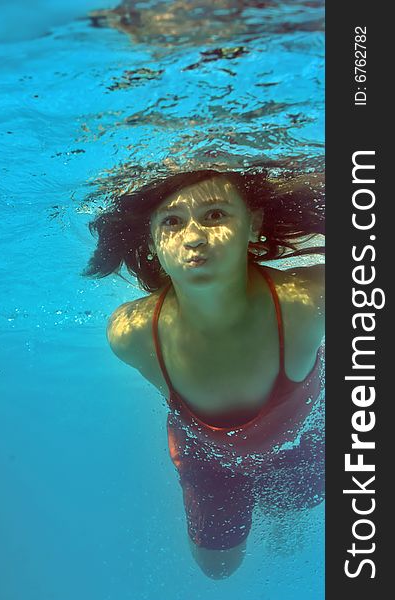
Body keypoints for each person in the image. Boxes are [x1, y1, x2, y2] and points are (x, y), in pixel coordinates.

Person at [84, 168, 325, 579]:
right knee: (218, 569)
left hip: (296, 442)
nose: (193, 238)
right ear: (153, 242)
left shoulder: (308, 302)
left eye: (214, 215)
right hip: (208, 458)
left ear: (255, 224)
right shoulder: (133, 334)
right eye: (172, 222)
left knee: (298, 503)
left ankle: (283, 509)